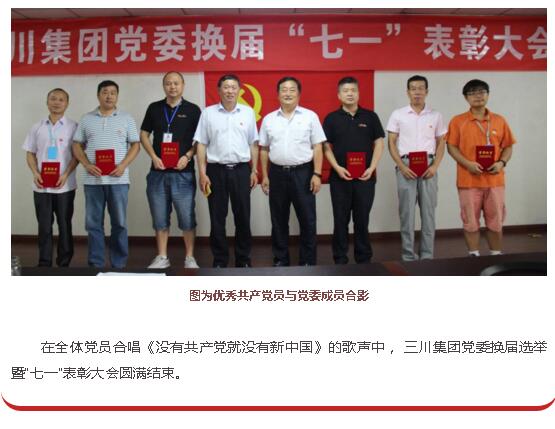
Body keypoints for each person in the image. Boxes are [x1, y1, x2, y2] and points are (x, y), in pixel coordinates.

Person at [72, 80, 140, 268]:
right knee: (93, 224)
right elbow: (76, 144)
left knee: (120, 223)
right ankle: (96, 264)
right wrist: (86, 164)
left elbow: (136, 144)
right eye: (105, 92)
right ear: (98, 95)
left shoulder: (126, 118)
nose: (109, 96)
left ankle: (119, 264)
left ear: (117, 96)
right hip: (93, 181)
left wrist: (123, 165)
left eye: (113, 93)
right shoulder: (86, 118)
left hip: (119, 180)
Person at [193, 74, 259, 268]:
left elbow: (253, 143)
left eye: (233, 87)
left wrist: (254, 170)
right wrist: (202, 173)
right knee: (217, 218)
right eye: (226, 87)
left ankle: (243, 260)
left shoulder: (247, 113)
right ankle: (220, 260)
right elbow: (201, 144)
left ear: (239, 90)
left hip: (241, 170)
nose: (230, 91)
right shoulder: (208, 113)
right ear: (219, 90)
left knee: (243, 217)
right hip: (216, 171)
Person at [259, 77, 325, 266]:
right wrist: (265, 175)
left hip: (303, 173)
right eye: (284, 90)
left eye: (292, 90)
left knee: (307, 219)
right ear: (278, 94)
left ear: (299, 93)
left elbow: (318, 146)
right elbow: (264, 149)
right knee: (278, 220)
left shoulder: (310, 116)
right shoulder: (269, 119)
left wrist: (317, 174)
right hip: (277, 174)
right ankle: (280, 259)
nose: (287, 93)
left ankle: (308, 261)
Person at [446, 79, 516, 257]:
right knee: (470, 221)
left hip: (495, 180)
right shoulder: (458, 121)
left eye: (481, 92)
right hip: (468, 180)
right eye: (472, 93)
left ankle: (496, 255)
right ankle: (474, 256)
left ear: (488, 94)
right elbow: (451, 147)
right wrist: (467, 164)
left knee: (496, 221)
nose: (478, 96)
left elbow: (508, 146)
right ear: (465, 97)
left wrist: (501, 163)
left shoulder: (499, 120)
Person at [140, 71, 201, 269]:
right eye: (168, 83)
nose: (172, 87)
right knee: (159, 217)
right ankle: (162, 257)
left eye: (176, 83)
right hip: (158, 173)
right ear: (163, 86)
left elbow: (200, 140)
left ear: (183, 85)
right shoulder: (154, 108)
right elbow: (143, 134)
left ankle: (189, 257)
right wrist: (153, 156)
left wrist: (188, 156)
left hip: (183, 173)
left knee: (187, 217)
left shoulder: (193, 110)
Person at [323, 76, 385, 264]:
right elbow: (325, 146)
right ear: (339, 95)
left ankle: (363, 258)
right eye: (345, 91)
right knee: (340, 220)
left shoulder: (370, 117)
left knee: (362, 219)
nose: (350, 94)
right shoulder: (331, 118)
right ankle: (340, 258)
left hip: (366, 178)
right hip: (339, 178)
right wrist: (337, 167)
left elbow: (379, 143)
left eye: (353, 90)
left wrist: (372, 167)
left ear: (358, 93)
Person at [386, 75, 447, 261]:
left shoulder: (436, 115)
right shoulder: (398, 114)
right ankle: (408, 256)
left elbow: (441, 142)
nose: (417, 92)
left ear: (426, 92)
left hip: (429, 166)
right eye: (413, 88)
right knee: (407, 214)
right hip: (406, 166)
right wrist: (401, 166)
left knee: (428, 214)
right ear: (408, 92)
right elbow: (391, 142)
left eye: (421, 88)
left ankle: (427, 256)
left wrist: (435, 166)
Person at [22, 88, 78, 267]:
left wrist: (66, 174)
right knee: (44, 226)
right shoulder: (37, 127)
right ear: (47, 102)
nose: (57, 102)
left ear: (67, 104)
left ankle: (64, 263)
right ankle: (44, 263)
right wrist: (35, 173)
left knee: (64, 224)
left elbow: (77, 155)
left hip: (64, 185)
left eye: (61, 99)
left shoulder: (74, 127)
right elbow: (30, 153)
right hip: (41, 186)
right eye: (53, 98)